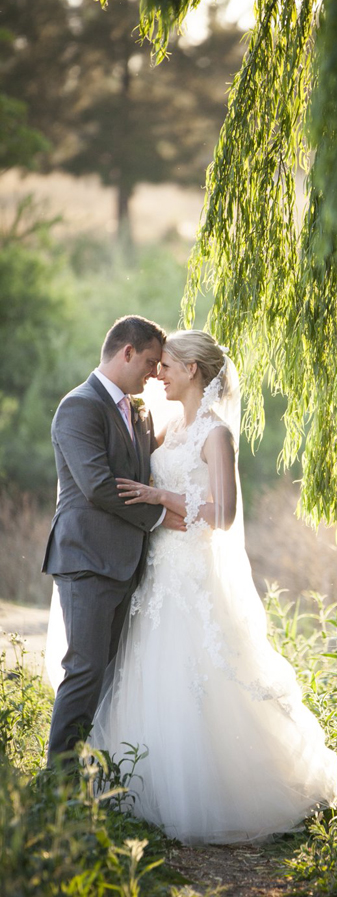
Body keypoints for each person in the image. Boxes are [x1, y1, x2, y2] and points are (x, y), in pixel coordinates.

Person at [91, 330, 337, 843]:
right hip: (159, 569)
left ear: (194, 372)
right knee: (149, 669)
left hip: (193, 575)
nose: (158, 373)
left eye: (168, 365)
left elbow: (224, 515)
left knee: (199, 671)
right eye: (156, 365)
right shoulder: (168, 428)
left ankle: (222, 793)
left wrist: (163, 496)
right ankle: (140, 787)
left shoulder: (216, 435)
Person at [43, 315, 185, 767]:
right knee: (84, 670)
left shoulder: (140, 411)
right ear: (126, 352)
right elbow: (99, 486)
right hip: (86, 559)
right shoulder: (78, 406)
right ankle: (55, 785)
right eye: (148, 362)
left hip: (126, 561)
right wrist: (162, 514)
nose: (152, 373)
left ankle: (89, 778)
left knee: (108, 675)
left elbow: (147, 472)